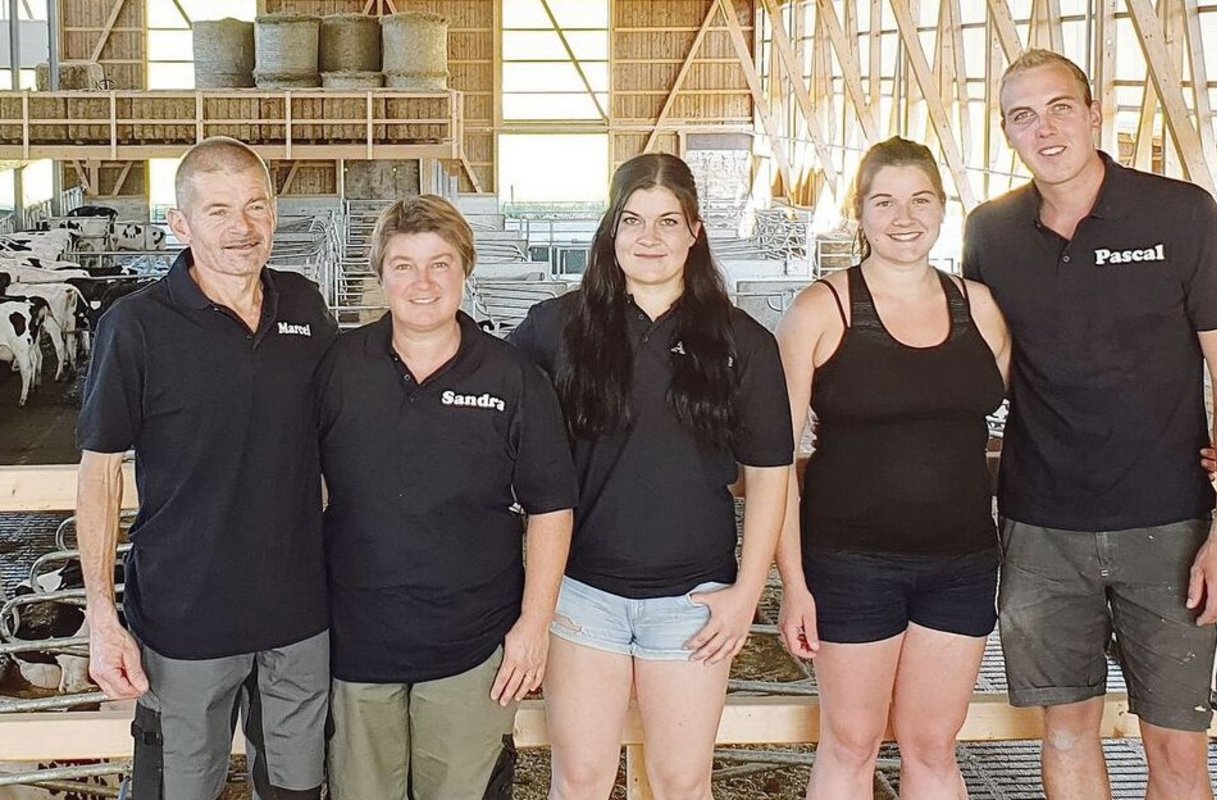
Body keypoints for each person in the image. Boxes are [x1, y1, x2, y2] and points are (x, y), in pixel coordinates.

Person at [962, 49, 1217, 800]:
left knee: (1178, 748)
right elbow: (974, 370)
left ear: (1096, 115)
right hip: (1040, 529)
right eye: (1022, 116)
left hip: (1169, 528)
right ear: (1006, 133)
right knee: (1064, 731)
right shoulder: (990, 233)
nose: (1045, 129)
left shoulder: (1181, 213)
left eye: (1061, 107)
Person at [508, 152, 793, 800]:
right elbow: (489, 406)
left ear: (695, 231)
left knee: (681, 781)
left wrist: (749, 591)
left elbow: (772, 475)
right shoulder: (557, 327)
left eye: (669, 222)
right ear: (611, 230)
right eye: (633, 220)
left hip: (692, 603)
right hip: (582, 596)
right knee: (580, 778)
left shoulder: (742, 343)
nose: (650, 238)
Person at [76, 136, 336, 800]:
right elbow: (100, 474)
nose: (242, 228)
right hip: (185, 621)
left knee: (299, 788)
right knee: (180, 788)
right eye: (217, 210)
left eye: (255, 206)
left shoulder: (305, 307)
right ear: (180, 224)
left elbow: (341, 442)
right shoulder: (135, 327)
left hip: (300, 615)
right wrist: (104, 618)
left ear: (275, 213)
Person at [317, 195, 577, 800]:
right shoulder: (337, 368)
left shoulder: (512, 377)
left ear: (466, 269)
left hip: (472, 641)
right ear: (381, 274)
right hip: (355, 637)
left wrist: (533, 627)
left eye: (440, 263)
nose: (423, 282)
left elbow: (550, 506)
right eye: (404, 265)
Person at [775, 137, 1010, 800]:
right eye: (885, 201)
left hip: (961, 563)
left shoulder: (982, 309)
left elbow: (1052, 415)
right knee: (851, 743)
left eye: (920, 200)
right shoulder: (821, 309)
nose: (903, 217)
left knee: (933, 746)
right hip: (852, 564)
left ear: (943, 209)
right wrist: (792, 581)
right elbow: (775, 460)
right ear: (860, 213)